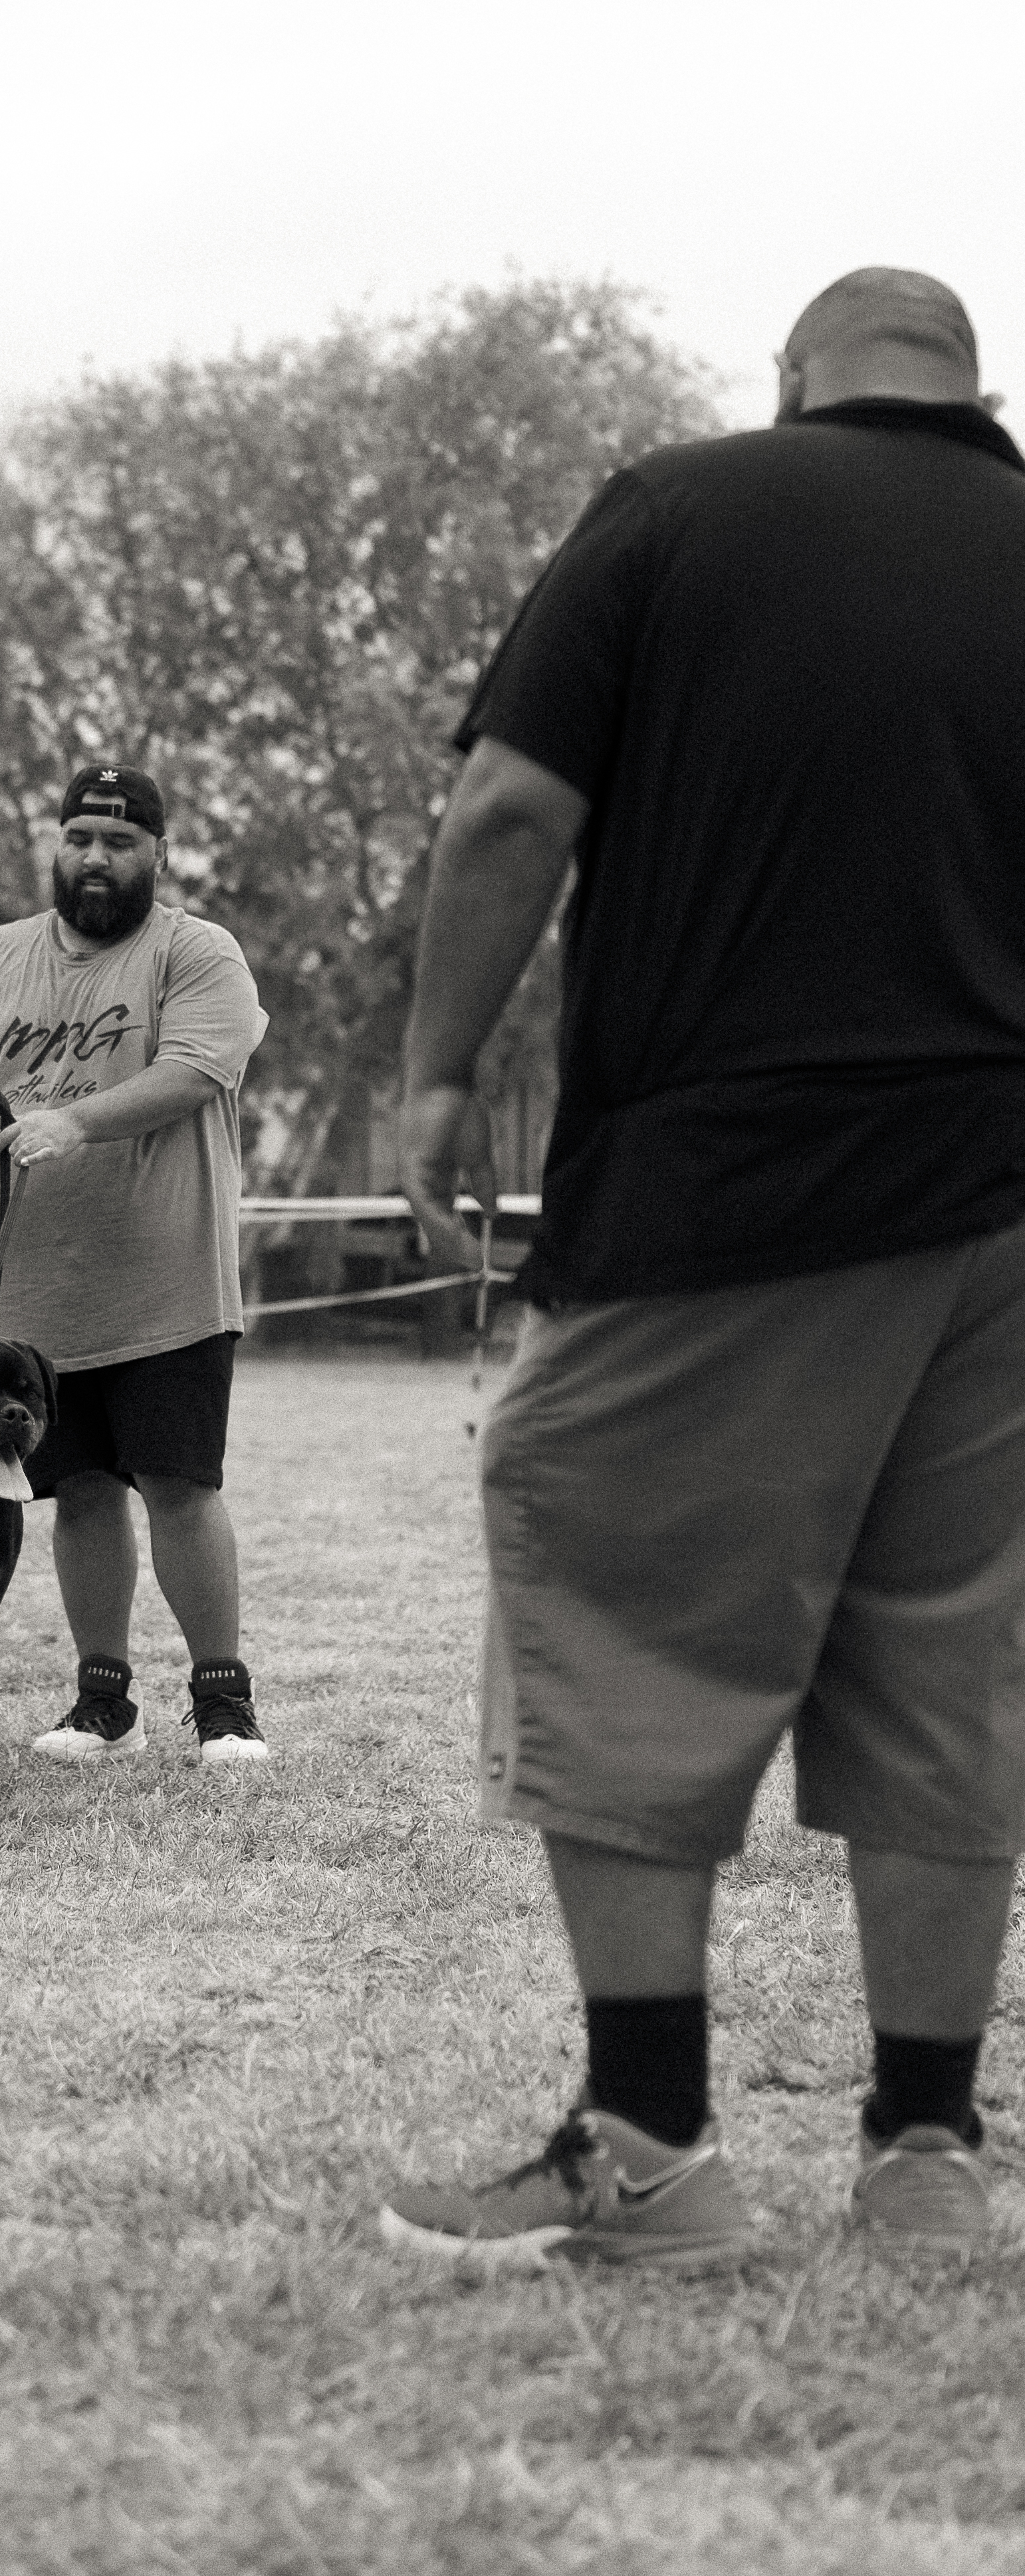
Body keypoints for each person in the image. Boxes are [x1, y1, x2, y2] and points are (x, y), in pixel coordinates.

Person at [382, 268, 1025, 2268]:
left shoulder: (679, 507)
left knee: (614, 1589)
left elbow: (510, 809)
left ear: (795, 378)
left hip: (737, 1177)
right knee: (952, 1664)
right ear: (974, 389)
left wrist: (435, 1074)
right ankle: (927, 2158)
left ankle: (652, 2152)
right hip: (1009, 1203)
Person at [0, 764, 272, 1763]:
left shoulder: (197, 953)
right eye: (80, 838)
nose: (96, 858)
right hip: (33, 1299)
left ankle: (224, 1703)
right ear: (57, 845)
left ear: (159, 854)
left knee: (179, 1486)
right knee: (79, 1492)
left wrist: (74, 1121)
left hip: (168, 1284)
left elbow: (194, 1072)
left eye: (120, 841)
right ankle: (103, 1703)